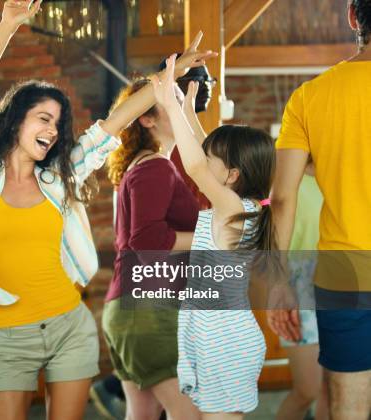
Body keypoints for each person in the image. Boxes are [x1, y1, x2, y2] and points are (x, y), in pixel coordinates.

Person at [0, 2, 214, 419]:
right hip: (5, 334)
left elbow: (116, 121)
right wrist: (6, 26)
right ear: (16, 121)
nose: (53, 130)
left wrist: (170, 76)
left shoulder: (58, 179)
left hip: (68, 326)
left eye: (57, 123)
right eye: (43, 118)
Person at [91, 57, 215, 420]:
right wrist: (210, 235)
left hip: (131, 308)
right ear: (146, 118)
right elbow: (147, 242)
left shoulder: (145, 165)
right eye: (172, 100)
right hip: (146, 311)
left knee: (142, 414)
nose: (180, 105)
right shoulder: (155, 167)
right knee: (189, 416)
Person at [153, 54, 274, 418]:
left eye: (213, 165)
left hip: (227, 345)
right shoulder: (237, 203)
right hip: (216, 339)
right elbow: (205, 154)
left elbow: (194, 164)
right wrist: (188, 111)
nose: (204, 168)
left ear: (232, 175)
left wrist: (171, 107)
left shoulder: (233, 210)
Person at [269, 1, 371, 418]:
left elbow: (282, 198)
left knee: (346, 402)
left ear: (352, 16)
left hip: (343, 272)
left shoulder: (309, 96)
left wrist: (278, 281)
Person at [275, 160, 327, 420]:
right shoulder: (285, 178)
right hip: (298, 286)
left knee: (336, 388)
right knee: (308, 389)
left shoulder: (348, 175)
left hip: (346, 282)